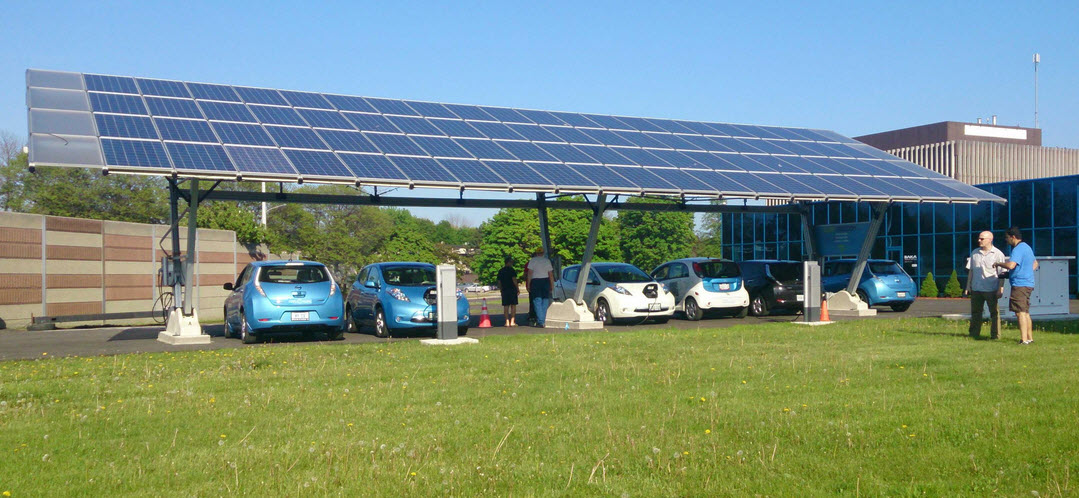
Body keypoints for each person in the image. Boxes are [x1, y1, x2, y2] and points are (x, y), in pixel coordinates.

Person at [994, 226, 1036, 344]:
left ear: (1013, 237)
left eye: (1007, 238)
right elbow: (1035, 263)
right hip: (1028, 283)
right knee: (1025, 311)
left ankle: (1023, 340)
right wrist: (1025, 272)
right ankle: (1029, 338)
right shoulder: (1027, 247)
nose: (1006, 240)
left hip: (1019, 285)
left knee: (1019, 312)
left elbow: (1011, 265)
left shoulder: (1017, 249)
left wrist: (998, 263)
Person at [964, 231, 1006, 339]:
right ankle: (974, 334)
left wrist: (1000, 288)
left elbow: (1002, 273)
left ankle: (995, 335)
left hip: (991, 288)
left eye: (982, 239)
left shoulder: (998, 254)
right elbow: (971, 271)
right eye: (979, 238)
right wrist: (968, 286)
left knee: (994, 314)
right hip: (976, 288)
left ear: (990, 239)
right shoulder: (974, 253)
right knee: (976, 312)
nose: (979, 240)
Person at [526, 247, 555, 327]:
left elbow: (529, 273)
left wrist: (528, 284)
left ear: (536, 253)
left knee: (537, 300)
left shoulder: (533, 261)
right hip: (545, 281)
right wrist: (552, 285)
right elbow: (550, 274)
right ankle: (542, 320)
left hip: (535, 281)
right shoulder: (547, 261)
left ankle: (541, 320)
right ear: (543, 253)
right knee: (545, 300)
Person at [497, 256, 519, 327]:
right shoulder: (512, 270)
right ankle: (512, 321)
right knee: (513, 305)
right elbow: (514, 280)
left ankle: (507, 321)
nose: (512, 264)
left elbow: (499, 281)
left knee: (506, 306)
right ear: (509, 262)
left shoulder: (501, 271)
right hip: (512, 289)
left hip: (504, 289)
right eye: (511, 262)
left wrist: (501, 289)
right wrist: (517, 288)